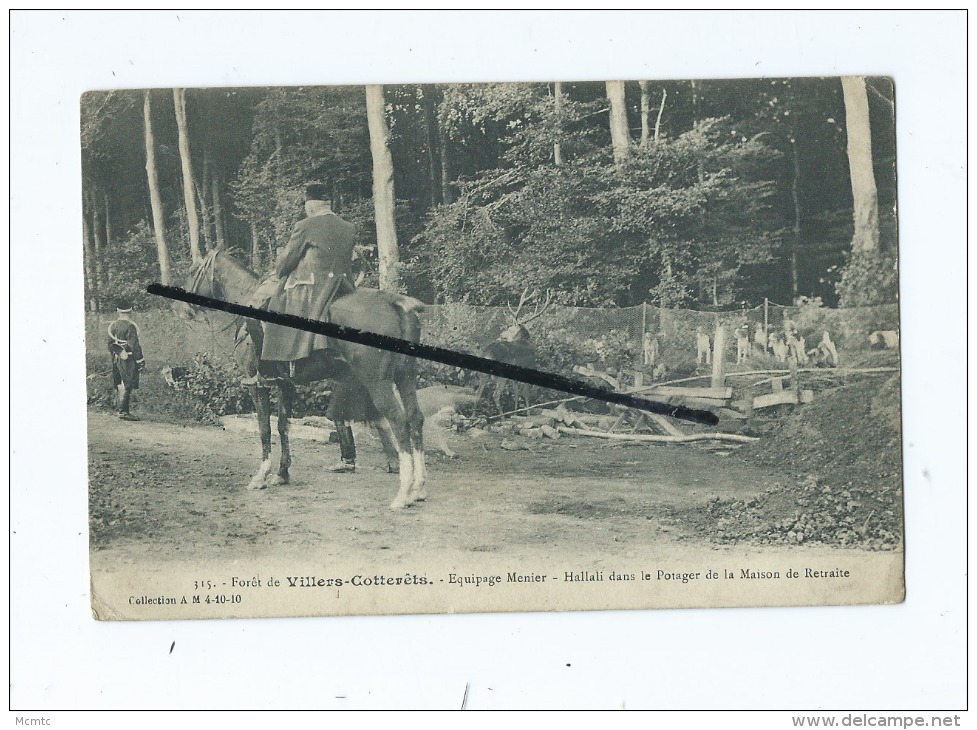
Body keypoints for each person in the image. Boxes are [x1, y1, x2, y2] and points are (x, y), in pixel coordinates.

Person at [259, 183, 357, 364]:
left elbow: (285, 264)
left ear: (310, 206)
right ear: (328, 205)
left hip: (314, 286)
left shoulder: (305, 225)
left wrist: (279, 265)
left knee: (274, 301)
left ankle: (281, 361)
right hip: (343, 285)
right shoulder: (349, 228)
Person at [107, 299, 145, 421]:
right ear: (131, 311)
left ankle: (120, 409)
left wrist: (115, 355)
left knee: (119, 384)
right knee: (127, 384)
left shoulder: (114, 326)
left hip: (116, 357)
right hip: (128, 358)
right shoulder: (130, 326)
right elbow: (134, 345)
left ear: (118, 311)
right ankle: (123, 411)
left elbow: (110, 344)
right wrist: (140, 360)